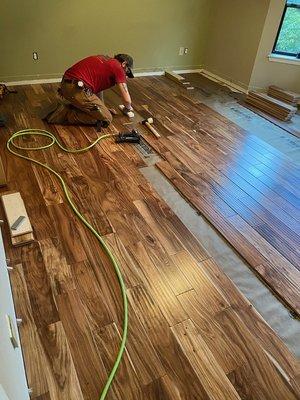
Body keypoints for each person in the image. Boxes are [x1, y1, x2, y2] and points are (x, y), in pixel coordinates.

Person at [45, 54, 134, 128]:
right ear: (124, 64)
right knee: (106, 118)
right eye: (127, 72)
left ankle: (73, 106)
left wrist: (103, 108)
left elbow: (97, 87)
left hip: (67, 84)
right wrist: (128, 108)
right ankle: (63, 113)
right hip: (76, 89)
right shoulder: (118, 67)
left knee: (103, 112)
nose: (126, 75)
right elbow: (127, 100)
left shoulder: (105, 59)